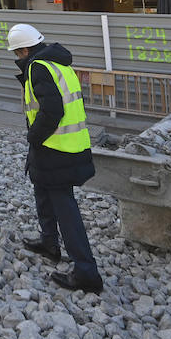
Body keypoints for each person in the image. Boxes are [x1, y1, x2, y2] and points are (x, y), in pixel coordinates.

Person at [8, 23, 103, 294]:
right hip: (69, 144)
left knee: (65, 206)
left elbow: (51, 110)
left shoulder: (40, 68)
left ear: (25, 50)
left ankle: (86, 271)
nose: (17, 59)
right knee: (42, 189)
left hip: (55, 145)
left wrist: (34, 137)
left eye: (17, 54)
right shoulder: (59, 64)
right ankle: (49, 241)